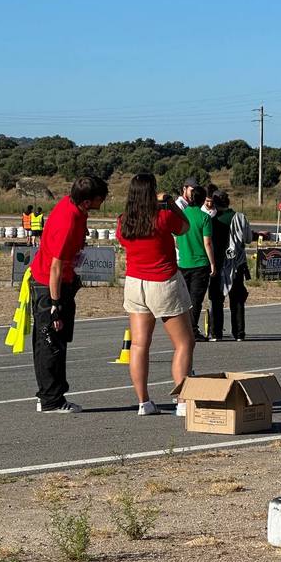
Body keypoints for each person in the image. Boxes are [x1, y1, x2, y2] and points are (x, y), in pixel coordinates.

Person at [116, 173, 195, 416]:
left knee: (139, 344)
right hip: (162, 282)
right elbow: (184, 227)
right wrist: (170, 202)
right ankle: (182, 400)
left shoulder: (123, 221)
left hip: (134, 283)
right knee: (184, 343)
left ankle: (144, 401)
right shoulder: (163, 216)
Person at [30, 176, 108, 413]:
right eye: (99, 199)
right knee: (50, 341)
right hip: (49, 284)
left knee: (56, 340)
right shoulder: (68, 221)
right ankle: (51, 400)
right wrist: (55, 303)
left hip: (61, 280)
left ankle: (51, 394)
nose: (102, 202)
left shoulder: (73, 207)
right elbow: (54, 266)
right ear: (87, 201)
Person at [209, 191, 252, 341]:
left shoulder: (211, 219)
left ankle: (216, 333)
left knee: (216, 299)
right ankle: (239, 333)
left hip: (217, 263)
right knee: (237, 299)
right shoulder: (240, 217)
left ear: (214, 203)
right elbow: (248, 239)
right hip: (237, 264)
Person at [176, 185, 216, 341]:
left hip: (183, 262)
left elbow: (176, 239)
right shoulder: (204, 218)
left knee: (183, 299)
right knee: (196, 300)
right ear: (202, 200)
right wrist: (213, 263)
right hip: (200, 264)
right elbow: (207, 243)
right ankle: (192, 329)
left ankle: (183, 329)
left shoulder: (182, 215)